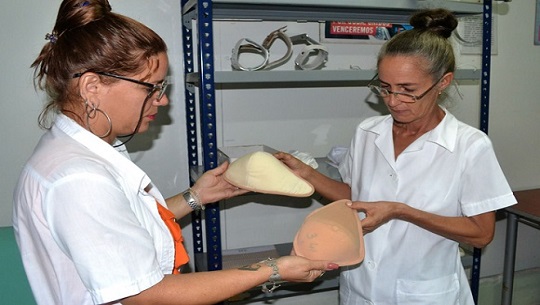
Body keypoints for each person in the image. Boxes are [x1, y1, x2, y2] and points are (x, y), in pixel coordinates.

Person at [12, 1, 338, 304]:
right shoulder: (79, 178)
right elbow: (147, 294)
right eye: (150, 86)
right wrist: (273, 271)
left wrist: (196, 197)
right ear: (92, 87)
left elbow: (123, 227)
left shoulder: (72, 150)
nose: (162, 100)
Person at [276, 8, 516, 305]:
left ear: (443, 83)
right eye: (385, 88)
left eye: (407, 90)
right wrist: (305, 174)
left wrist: (402, 211)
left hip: (423, 293)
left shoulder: (469, 145)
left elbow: (481, 234)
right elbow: (356, 197)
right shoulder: (368, 131)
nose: (393, 101)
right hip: (361, 287)